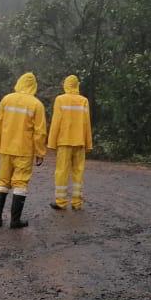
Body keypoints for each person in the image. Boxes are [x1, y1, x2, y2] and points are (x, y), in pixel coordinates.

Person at [0, 72, 47, 229]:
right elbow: (40, 132)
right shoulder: (36, 104)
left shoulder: (6, 99)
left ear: (19, 82)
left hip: (6, 148)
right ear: (33, 86)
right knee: (20, 183)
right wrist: (40, 152)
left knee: (2, 181)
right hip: (24, 150)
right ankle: (15, 221)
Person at [47, 74, 92, 211]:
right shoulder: (84, 101)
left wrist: (51, 143)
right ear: (77, 85)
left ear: (65, 85)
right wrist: (88, 144)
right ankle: (77, 203)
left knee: (61, 172)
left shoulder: (60, 100)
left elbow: (56, 122)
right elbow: (87, 123)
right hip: (80, 142)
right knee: (78, 172)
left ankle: (61, 202)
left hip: (64, 142)